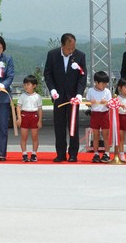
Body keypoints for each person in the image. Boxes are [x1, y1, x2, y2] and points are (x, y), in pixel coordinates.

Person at [43, 33, 87, 163]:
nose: (71, 50)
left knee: (73, 125)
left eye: (73, 47)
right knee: (59, 126)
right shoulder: (52, 55)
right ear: (62, 45)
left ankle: (73, 154)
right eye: (68, 48)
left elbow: (82, 76)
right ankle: (60, 154)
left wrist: (79, 93)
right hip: (58, 96)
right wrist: (52, 90)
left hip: (73, 97)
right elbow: (48, 74)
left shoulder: (80, 56)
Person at [87, 70, 112, 163]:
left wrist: (106, 103)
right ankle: (96, 153)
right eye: (103, 83)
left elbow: (110, 104)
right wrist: (91, 103)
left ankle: (107, 153)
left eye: (106, 83)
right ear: (96, 82)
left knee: (106, 135)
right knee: (96, 135)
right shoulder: (90, 90)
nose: (105, 85)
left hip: (104, 114)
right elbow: (87, 103)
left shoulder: (107, 92)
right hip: (95, 114)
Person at [17, 75, 43, 162]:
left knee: (34, 137)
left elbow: (39, 109)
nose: (26, 87)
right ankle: (24, 154)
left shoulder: (38, 97)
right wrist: (19, 118)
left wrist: (39, 120)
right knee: (24, 137)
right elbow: (18, 107)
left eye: (28, 85)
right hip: (24, 115)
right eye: (25, 85)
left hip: (34, 116)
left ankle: (34, 154)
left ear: (34, 85)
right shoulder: (22, 96)